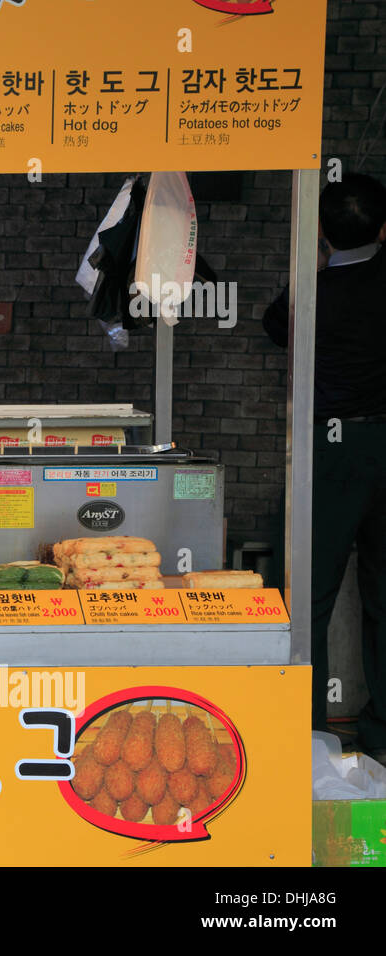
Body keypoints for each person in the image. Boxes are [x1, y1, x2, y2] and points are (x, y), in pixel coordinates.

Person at [262, 172, 386, 762]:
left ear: (324, 234)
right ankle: (382, 732)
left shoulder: (315, 295)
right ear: (384, 229)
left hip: (334, 450)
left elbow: (272, 325)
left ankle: (307, 732)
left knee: (310, 594)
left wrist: (315, 264)